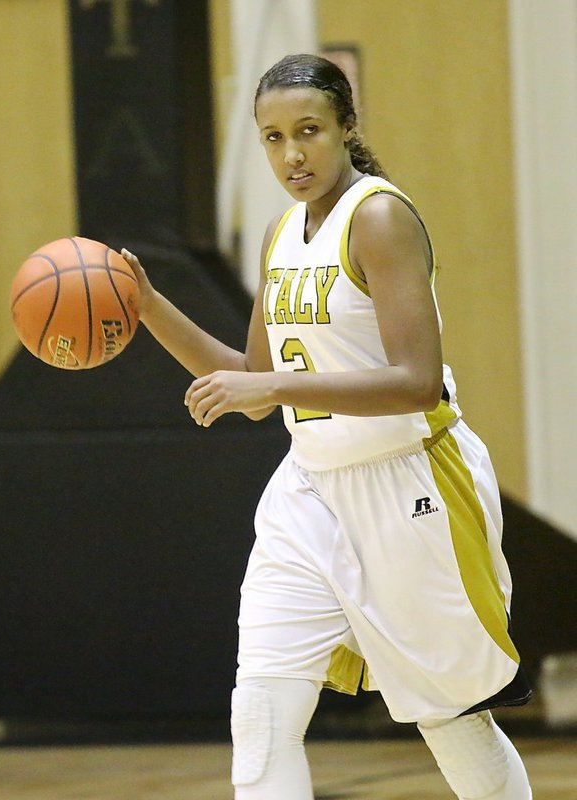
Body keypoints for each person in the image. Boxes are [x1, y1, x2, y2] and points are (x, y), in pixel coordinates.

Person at [121, 53, 532, 800]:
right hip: (310, 491)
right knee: (264, 706)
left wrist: (273, 383)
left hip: (410, 483)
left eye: (308, 130)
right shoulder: (283, 233)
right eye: (273, 138)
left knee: (449, 715)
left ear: (347, 126)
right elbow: (251, 379)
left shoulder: (378, 216)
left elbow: (415, 383)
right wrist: (149, 306)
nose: (292, 153)